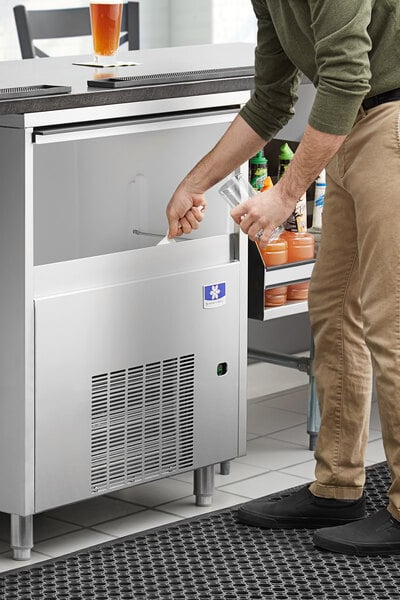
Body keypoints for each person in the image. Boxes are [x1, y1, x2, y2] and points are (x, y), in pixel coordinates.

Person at [166, 1, 400, 555]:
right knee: (334, 309)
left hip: (390, 124)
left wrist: (287, 192)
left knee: (391, 323)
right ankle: (337, 488)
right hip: (348, 129)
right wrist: (193, 183)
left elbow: (347, 76)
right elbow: (272, 98)